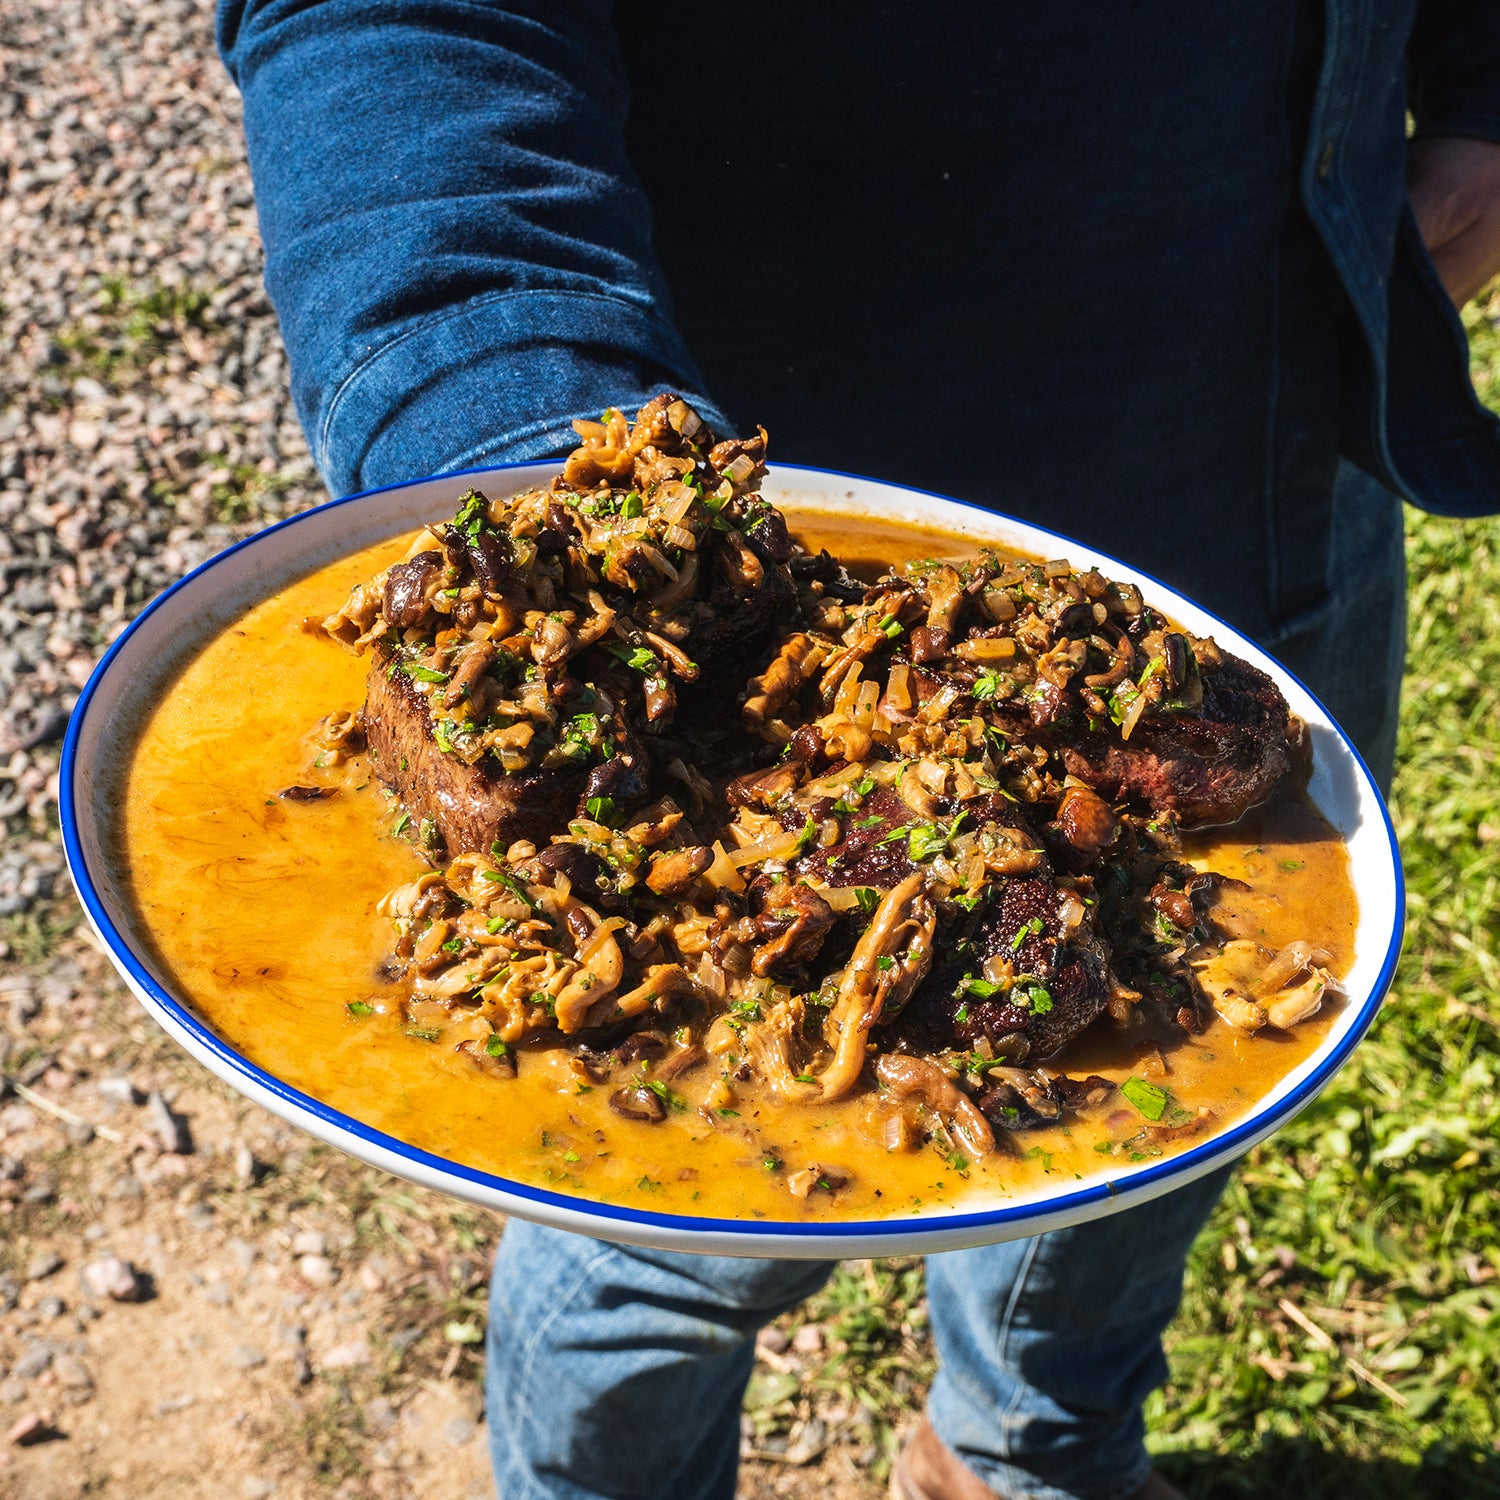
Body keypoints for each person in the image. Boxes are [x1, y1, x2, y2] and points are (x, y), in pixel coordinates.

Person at [216, 5, 1500, 1496]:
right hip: (751, 598)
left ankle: (1024, 1453)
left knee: (1150, 1102)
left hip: (1249, 501)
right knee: (665, 1243)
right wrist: (565, 509)